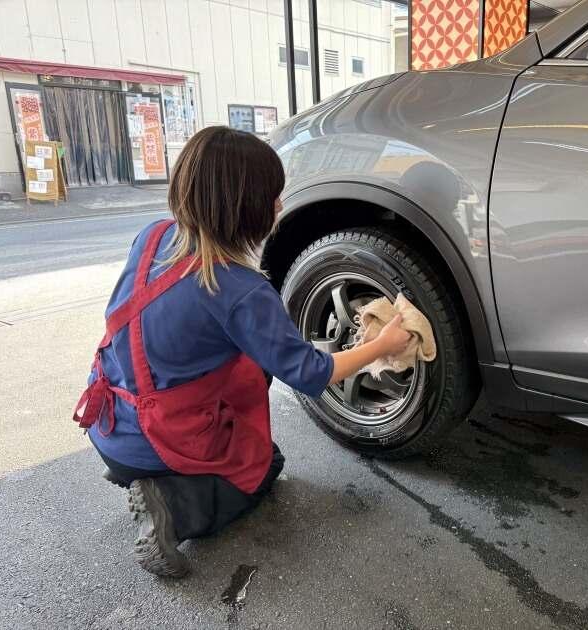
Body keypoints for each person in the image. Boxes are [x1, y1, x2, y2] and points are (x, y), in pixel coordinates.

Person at [72, 126, 411, 578]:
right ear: (246, 208)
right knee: (265, 468)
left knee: (248, 367)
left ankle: (135, 470)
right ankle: (173, 507)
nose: (280, 205)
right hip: (157, 437)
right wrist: (379, 346)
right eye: (273, 196)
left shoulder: (152, 235)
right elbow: (310, 374)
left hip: (108, 419)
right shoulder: (239, 290)